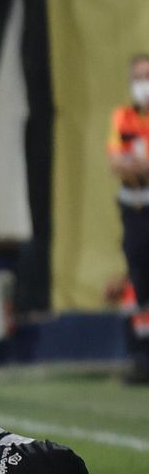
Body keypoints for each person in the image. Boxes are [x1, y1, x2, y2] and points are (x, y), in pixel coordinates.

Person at [109, 54, 149, 384]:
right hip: (132, 209)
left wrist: (133, 164)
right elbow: (116, 163)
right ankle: (140, 358)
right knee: (137, 279)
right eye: (138, 78)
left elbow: (130, 164)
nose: (143, 85)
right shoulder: (123, 116)